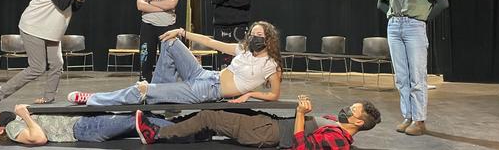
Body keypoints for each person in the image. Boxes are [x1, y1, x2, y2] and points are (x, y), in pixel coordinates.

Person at [67, 21, 282, 106]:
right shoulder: (243, 49)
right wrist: (182, 32)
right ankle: (160, 99)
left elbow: (274, 95)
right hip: (206, 75)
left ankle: (93, 99)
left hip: (207, 90)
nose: (254, 37)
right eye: (252, 33)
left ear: (268, 39)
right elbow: (211, 42)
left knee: (143, 89)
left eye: (259, 34)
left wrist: (250, 94)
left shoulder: (271, 65)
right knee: (170, 43)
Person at [377, 0, 449, 136]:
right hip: (394, 28)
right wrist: (392, 15)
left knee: (417, 77)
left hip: (414, 28)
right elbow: (381, 3)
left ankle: (419, 120)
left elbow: (442, 2)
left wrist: (423, 19)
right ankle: (407, 116)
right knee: (401, 77)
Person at [135, 95, 381, 149]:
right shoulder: (334, 124)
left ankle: (155, 134)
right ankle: (191, 131)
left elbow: (301, 147)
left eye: (352, 110)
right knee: (218, 106)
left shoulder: (340, 141)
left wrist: (299, 114)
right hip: (270, 123)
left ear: (358, 122)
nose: (346, 109)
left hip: (269, 134)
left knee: (210, 116)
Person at [0, 104, 140, 144]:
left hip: (82, 116)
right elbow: (38, 138)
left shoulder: (17, 120)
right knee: (135, 121)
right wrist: (26, 116)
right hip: (81, 128)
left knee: (137, 118)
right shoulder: (12, 128)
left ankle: (164, 126)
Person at [136, 0, 181, 82]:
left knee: (168, 61)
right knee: (146, 59)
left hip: (167, 26)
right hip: (148, 26)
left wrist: (151, 3)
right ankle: (144, 87)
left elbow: (172, 3)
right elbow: (140, 5)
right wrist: (163, 6)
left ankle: (166, 88)